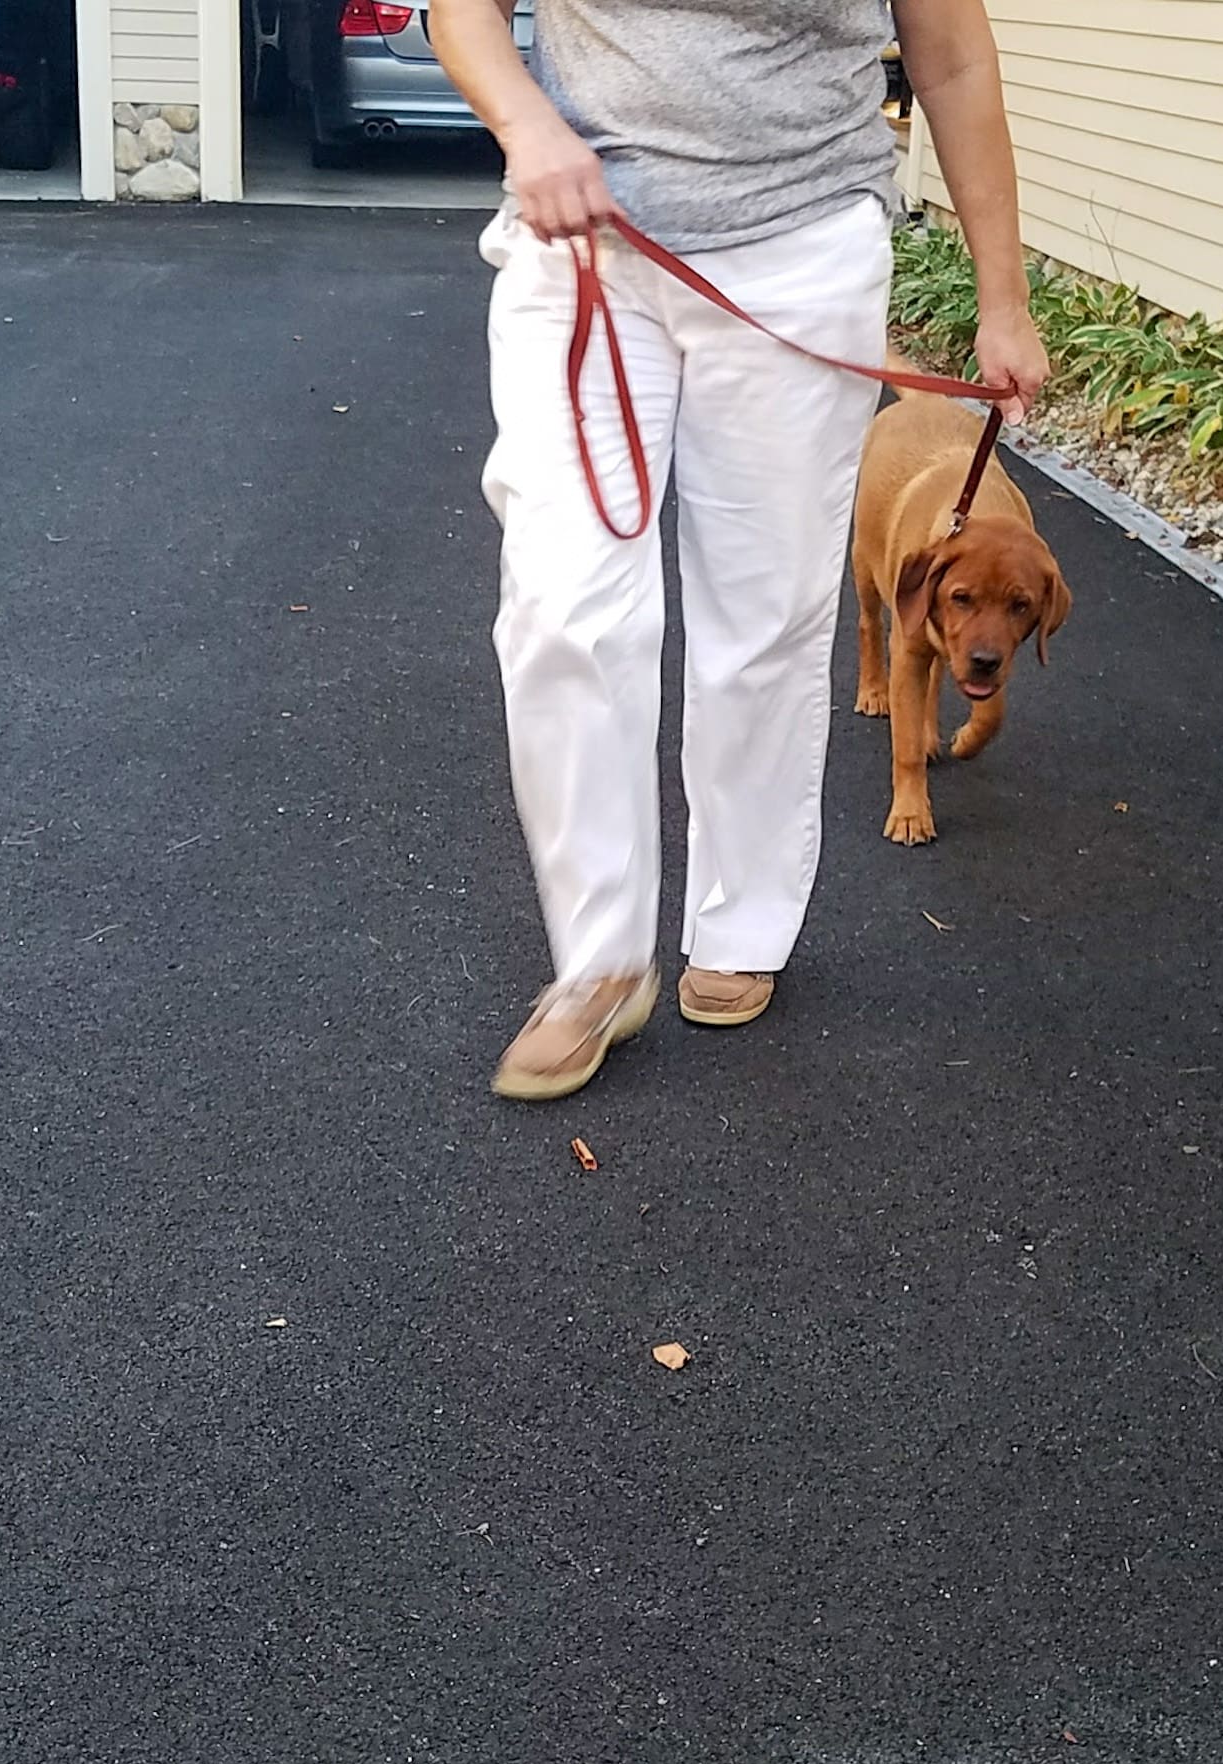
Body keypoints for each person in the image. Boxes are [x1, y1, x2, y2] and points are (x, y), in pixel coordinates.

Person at [427, 0, 1049, 1101]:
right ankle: (598, 962)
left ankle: (742, 922)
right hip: (584, 246)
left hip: (798, 248)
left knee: (764, 616)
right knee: (560, 603)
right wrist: (524, 123)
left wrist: (1002, 298)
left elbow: (949, 54)